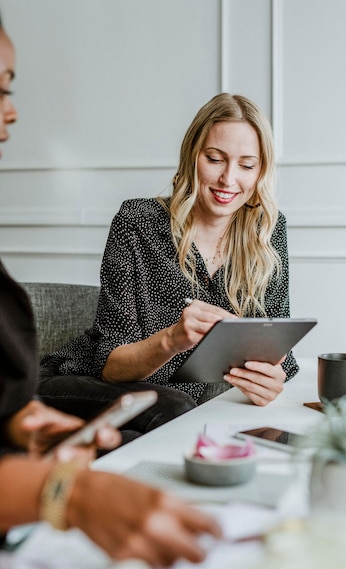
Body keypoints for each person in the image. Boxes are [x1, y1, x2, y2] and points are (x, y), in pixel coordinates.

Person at [0, 13, 220, 566]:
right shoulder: (141, 222)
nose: (13, 110)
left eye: (10, 87)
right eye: (0, 88)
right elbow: (112, 357)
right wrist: (66, 495)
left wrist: (18, 421)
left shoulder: (269, 233)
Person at [38, 92, 299, 414]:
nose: (228, 179)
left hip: (169, 410)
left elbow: (278, 347)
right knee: (173, 407)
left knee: (159, 426)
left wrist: (271, 378)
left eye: (247, 165)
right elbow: (111, 365)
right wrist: (173, 338)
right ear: (192, 156)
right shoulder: (137, 222)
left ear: (260, 172)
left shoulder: (267, 231)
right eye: (215, 159)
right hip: (84, 386)